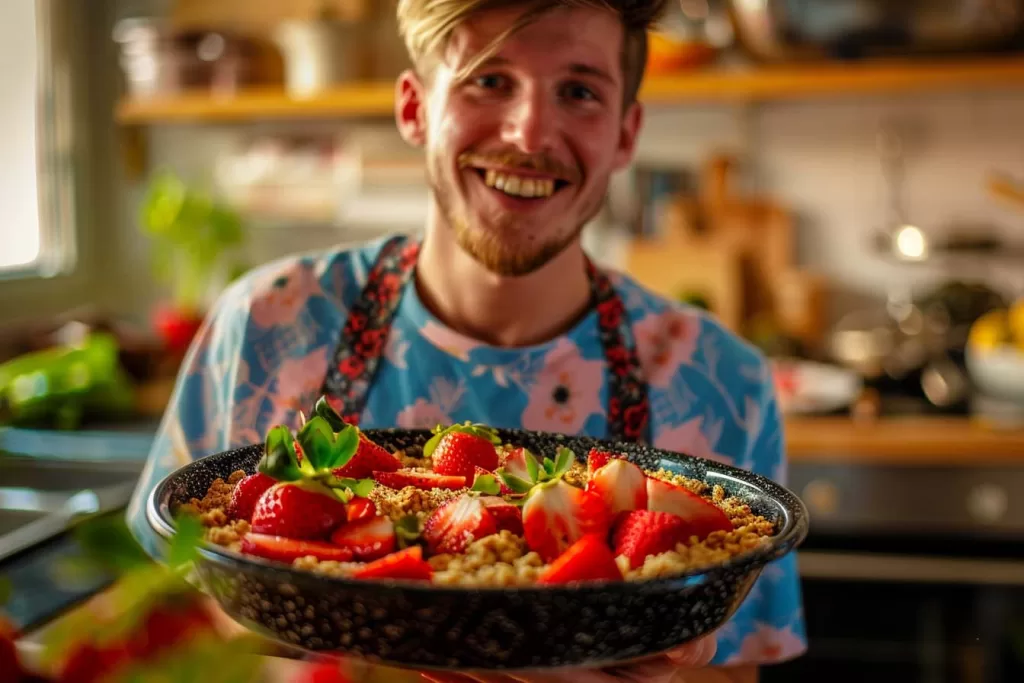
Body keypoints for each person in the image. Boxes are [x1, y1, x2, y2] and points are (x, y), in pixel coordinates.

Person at [125, 0, 807, 680]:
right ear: (415, 107)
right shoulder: (265, 324)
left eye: (578, 91)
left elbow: (732, 667)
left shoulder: (724, 380)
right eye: (488, 79)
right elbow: (155, 617)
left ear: (626, 133)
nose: (531, 132)